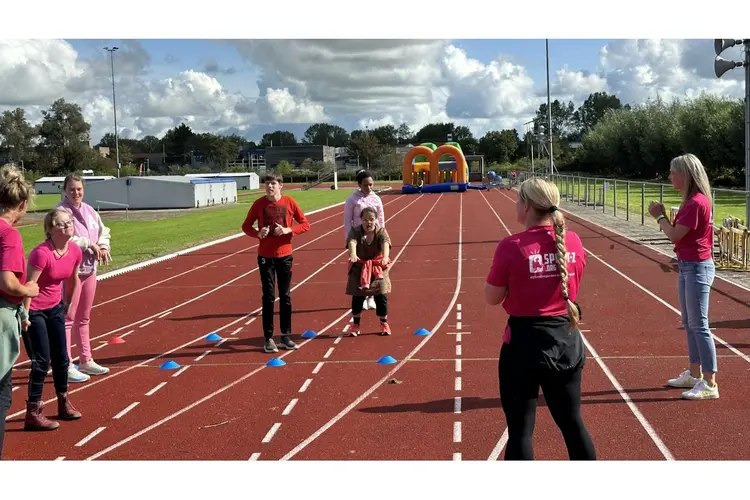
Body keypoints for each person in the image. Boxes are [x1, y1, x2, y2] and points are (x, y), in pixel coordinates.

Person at [485, 177, 596, 461]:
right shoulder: (573, 240)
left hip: (523, 343)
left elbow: (492, 297)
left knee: (520, 431)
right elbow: (573, 285)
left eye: (518, 199)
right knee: (572, 423)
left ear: (527, 205)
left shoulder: (512, 246)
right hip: (565, 338)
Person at [648, 153, 718, 400]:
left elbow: (675, 235)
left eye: (672, 171)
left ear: (685, 174)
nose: (669, 176)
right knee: (690, 323)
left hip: (697, 267)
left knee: (699, 324)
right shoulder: (693, 201)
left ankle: (709, 382)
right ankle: (695, 372)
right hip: (689, 265)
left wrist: (659, 216)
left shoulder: (696, 202)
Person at [21, 208, 83, 431]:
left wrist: (69, 305)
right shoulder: (41, 253)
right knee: (41, 360)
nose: (68, 226)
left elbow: (74, 279)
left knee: (62, 357)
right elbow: (29, 286)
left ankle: (63, 402)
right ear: (49, 230)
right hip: (34, 309)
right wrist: (25, 316)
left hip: (55, 308)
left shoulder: (75, 250)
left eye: (70, 222)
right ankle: (33, 412)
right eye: (62, 223)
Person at [242, 173, 310, 353]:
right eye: (267, 184)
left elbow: (305, 224)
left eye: (273, 184)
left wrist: (288, 230)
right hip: (265, 255)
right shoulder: (258, 204)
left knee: (286, 296)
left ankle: (286, 336)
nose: (269, 187)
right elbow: (246, 226)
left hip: (285, 255)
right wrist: (257, 233)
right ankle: (268, 338)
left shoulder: (289, 202)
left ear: (281, 185)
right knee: (268, 296)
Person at [57, 173, 112, 383]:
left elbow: (103, 231)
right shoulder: (61, 212)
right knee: (68, 318)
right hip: (71, 271)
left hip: (90, 269)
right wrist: (89, 244)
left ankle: (86, 359)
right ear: (64, 190)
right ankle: (66, 364)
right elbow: (66, 236)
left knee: (84, 317)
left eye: (79, 189)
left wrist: (103, 245)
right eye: (71, 189)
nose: (76, 193)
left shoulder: (89, 210)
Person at [0, 166, 39, 457]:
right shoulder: (9, 235)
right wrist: (29, 290)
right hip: (2, 316)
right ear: (23, 204)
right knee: (2, 392)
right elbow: (8, 283)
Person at [345, 207, 392, 336]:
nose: (368, 222)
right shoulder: (355, 231)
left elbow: (385, 243)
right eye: (365, 220)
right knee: (357, 297)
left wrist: (386, 257)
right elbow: (352, 242)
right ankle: (356, 325)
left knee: (381, 296)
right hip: (360, 268)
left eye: (371, 219)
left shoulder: (381, 231)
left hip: (377, 268)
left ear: (376, 220)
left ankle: (384, 323)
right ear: (361, 220)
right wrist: (353, 254)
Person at [343, 170, 385, 311]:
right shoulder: (352, 199)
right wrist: (349, 240)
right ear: (359, 184)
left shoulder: (376, 199)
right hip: (358, 237)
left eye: (371, 185)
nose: (369, 188)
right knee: (359, 268)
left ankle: (371, 297)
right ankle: (360, 296)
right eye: (366, 185)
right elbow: (347, 221)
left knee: (373, 267)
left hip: (373, 237)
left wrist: (381, 236)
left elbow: (381, 220)